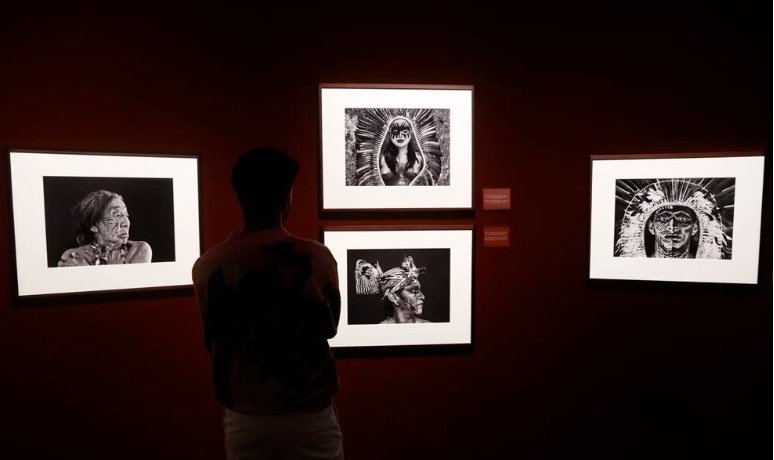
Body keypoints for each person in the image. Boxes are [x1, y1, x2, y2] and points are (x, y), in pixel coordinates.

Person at [192, 147, 343, 460]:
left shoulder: (208, 266)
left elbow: (214, 339)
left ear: (239, 196)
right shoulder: (316, 258)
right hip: (309, 413)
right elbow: (330, 328)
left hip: (247, 417)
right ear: (287, 196)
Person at [57, 190, 152, 266]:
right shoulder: (75, 255)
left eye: (126, 215)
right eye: (117, 215)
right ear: (93, 226)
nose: (125, 223)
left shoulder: (138, 249)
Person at [355, 255, 429, 324]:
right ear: (393, 297)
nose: (422, 296)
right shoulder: (377, 331)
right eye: (413, 291)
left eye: (419, 290)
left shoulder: (427, 327)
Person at [379, 116, 425, 186]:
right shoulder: (381, 158)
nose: (400, 135)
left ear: (410, 133)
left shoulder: (419, 158)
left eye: (405, 131)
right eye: (395, 131)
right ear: (389, 133)